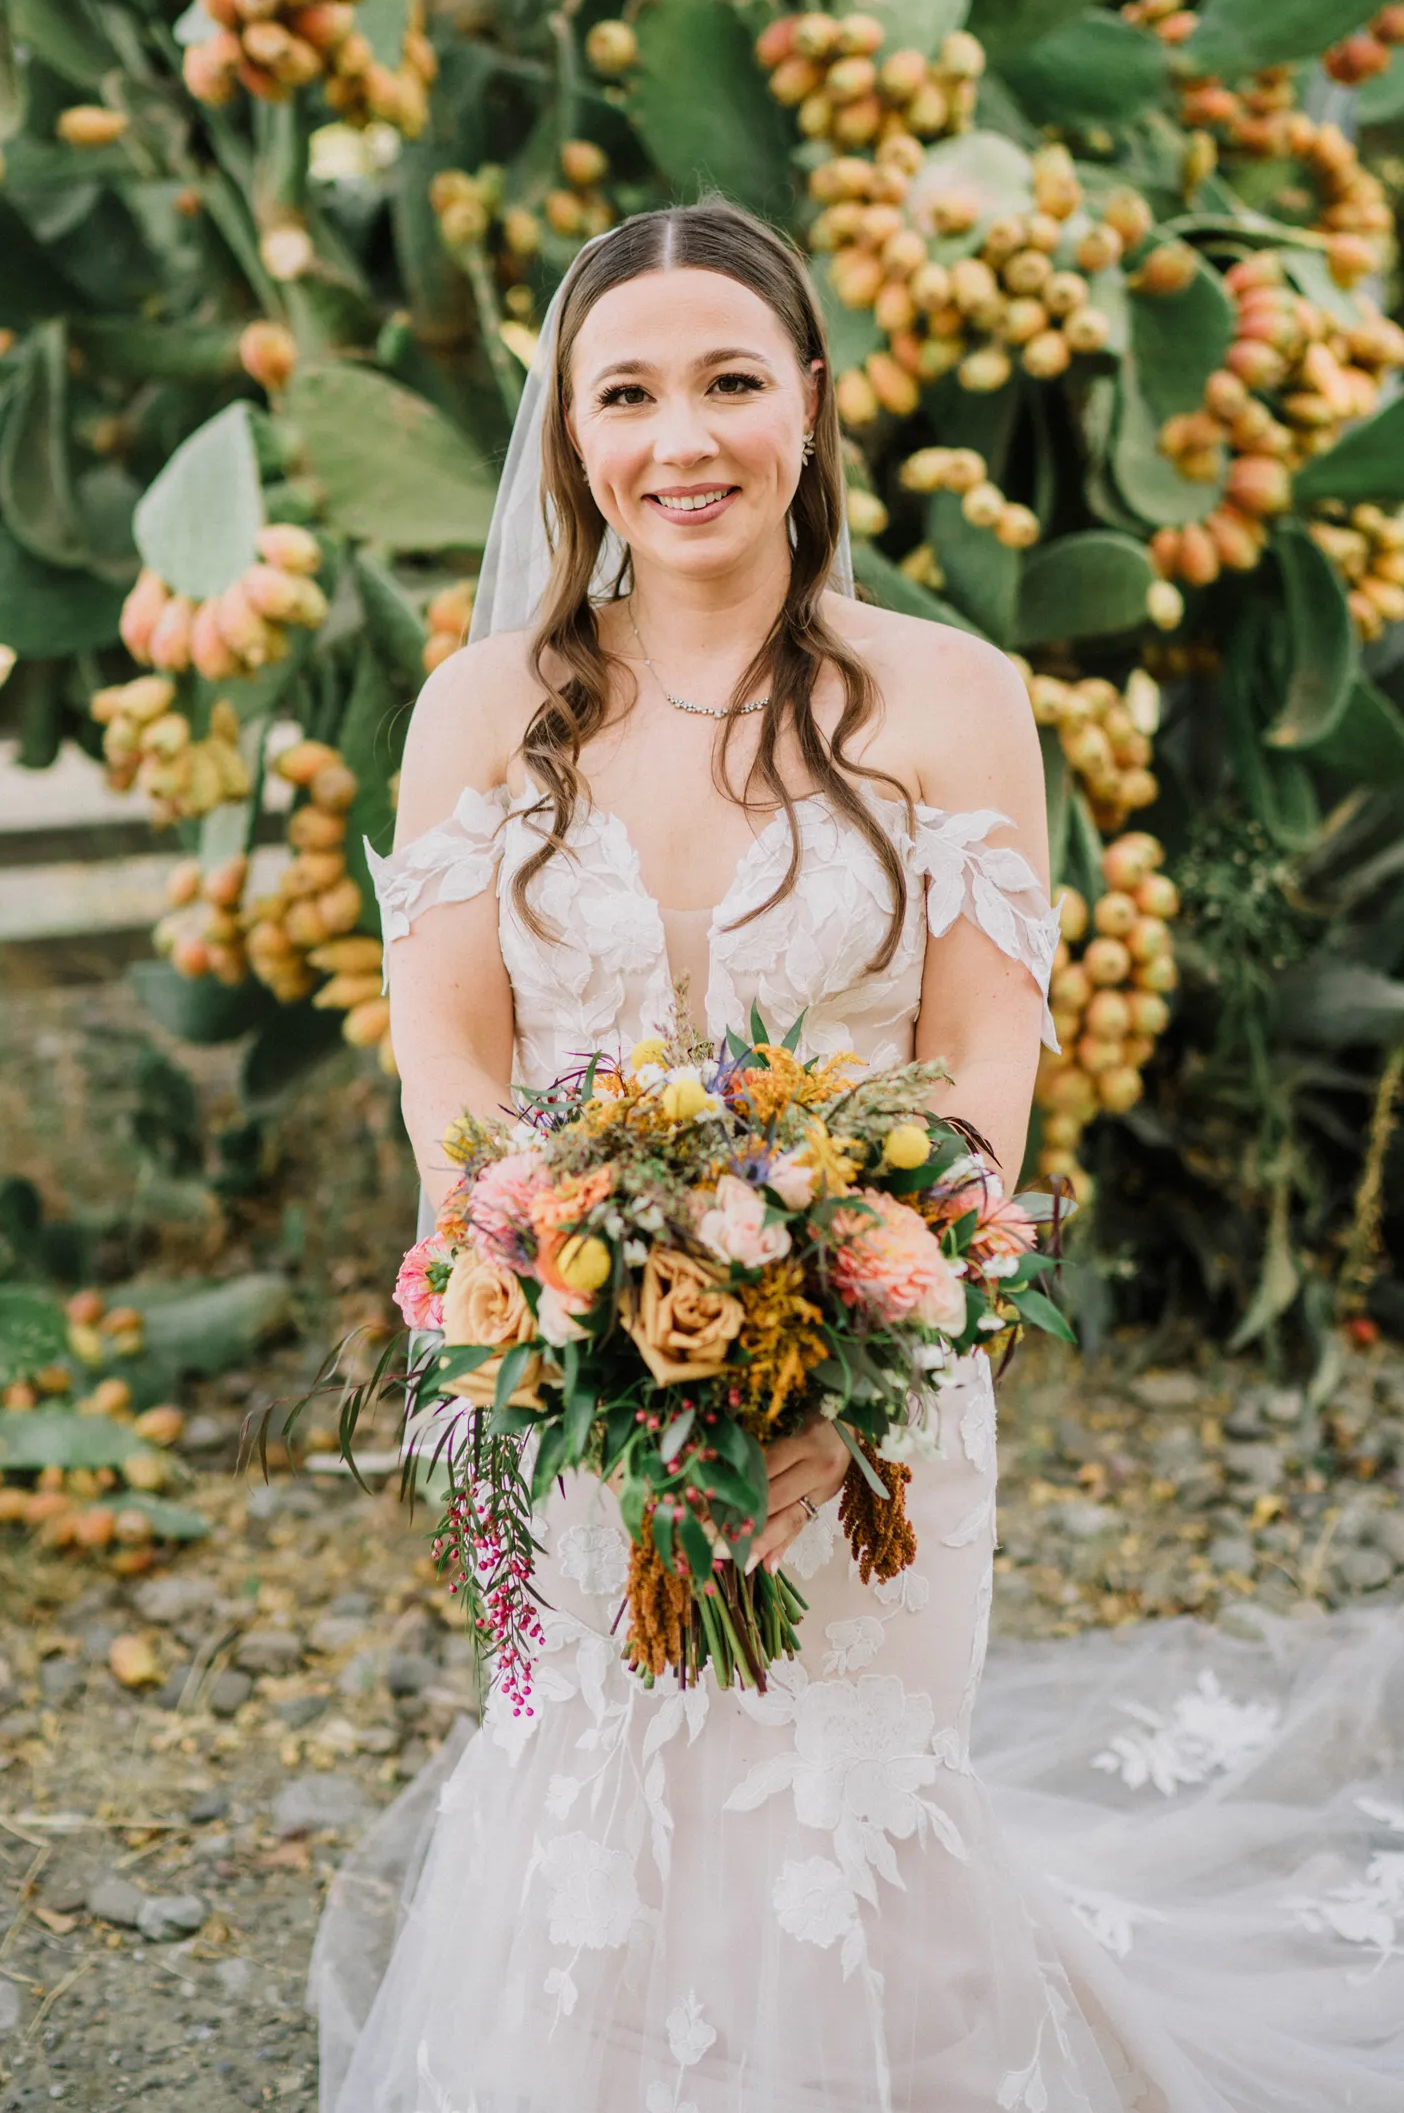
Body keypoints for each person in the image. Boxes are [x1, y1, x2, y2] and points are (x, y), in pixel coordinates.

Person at [311, 202, 1404, 2111]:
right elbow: (451, 1056)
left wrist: (846, 1370)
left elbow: (987, 1060)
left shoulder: (952, 695)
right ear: (570, 432)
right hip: (562, 1380)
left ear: (812, 403)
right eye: (628, 391)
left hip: (878, 1375)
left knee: (839, 1829)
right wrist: (549, 1316)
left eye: (732, 380)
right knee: (599, 1812)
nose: (684, 438)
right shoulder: (480, 711)